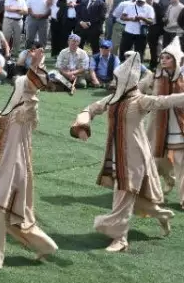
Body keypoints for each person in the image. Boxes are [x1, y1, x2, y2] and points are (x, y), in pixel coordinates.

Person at [70, 52, 183, 252]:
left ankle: (120, 239)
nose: (114, 81)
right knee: (134, 199)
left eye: (117, 78)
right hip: (116, 154)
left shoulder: (140, 101)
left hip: (135, 157)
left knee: (122, 195)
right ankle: (161, 214)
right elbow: (91, 108)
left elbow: (166, 101)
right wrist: (83, 123)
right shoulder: (113, 99)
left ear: (127, 81)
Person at [0, 53, 59, 269]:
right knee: (2, 212)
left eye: (19, 86)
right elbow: (2, 115)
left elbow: (31, 100)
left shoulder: (28, 108)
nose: (15, 88)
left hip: (14, 166)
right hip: (5, 163)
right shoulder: (17, 108)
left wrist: (35, 69)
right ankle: (44, 246)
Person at [146, 39, 184, 208]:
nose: (163, 60)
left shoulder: (182, 79)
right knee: (156, 161)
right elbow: (137, 90)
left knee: (180, 163)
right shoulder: (154, 77)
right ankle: (169, 180)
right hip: (158, 127)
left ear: (176, 60)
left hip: (178, 126)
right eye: (162, 57)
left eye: (168, 57)